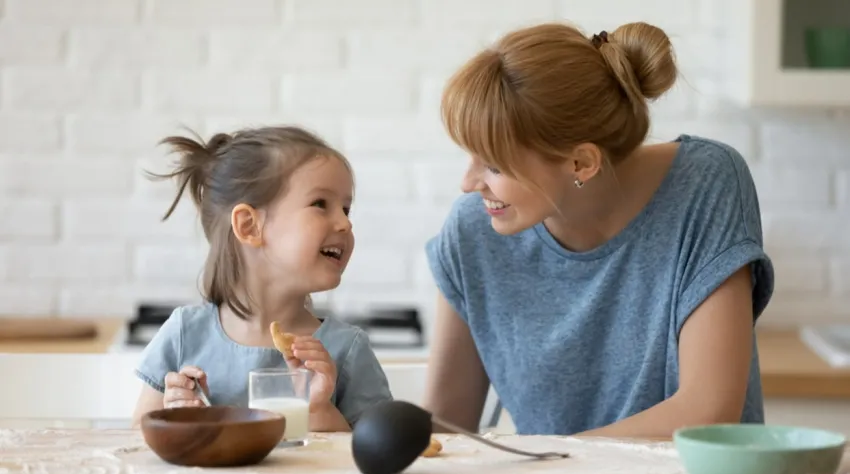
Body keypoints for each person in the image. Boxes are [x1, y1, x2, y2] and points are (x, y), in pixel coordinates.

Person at [422, 21, 775, 438]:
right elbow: (445, 427)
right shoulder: (474, 229)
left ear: (582, 162)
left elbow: (708, 411)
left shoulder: (706, 183)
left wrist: (546, 465)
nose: (468, 183)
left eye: (495, 165)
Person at [131, 126, 392, 430]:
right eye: (320, 204)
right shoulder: (183, 335)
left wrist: (318, 409)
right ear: (249, 227)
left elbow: (378, 453)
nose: (345, 223)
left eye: (346, 209)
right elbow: (138, 440)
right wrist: (175, 417)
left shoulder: (346, 350)